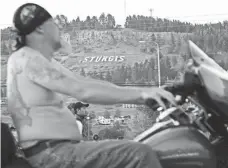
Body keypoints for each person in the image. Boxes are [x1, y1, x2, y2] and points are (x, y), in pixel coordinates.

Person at [7, 3, 176, 168]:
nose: (59, 29)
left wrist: (146, 93)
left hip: (56, 151)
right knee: (140, 154)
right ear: (40, 29)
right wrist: (142, 95)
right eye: (54, 24)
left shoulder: (38, 60)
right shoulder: (27, 58)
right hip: (52, 155)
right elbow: (82, 91)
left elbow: (84, 83)